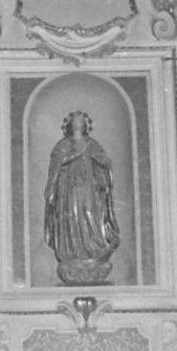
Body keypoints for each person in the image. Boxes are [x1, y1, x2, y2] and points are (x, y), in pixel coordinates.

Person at [44, 111, 119, 284]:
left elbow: (105, 164)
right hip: (68, 190)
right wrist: (70, 157)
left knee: (90, 214)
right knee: (71, 217)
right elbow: (56, 165)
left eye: (81, 120)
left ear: (86, 125)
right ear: (69, 124)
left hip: (89, 188)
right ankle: (72, 250)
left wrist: (100, 162)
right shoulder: (62, 145)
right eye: (75, 120)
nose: (78, 123)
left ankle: (94, 247)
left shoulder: (93, 144)